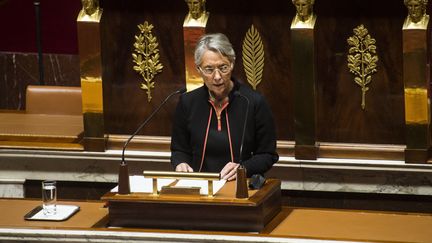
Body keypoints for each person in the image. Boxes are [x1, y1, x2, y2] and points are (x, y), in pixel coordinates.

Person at [170, 33, 278, 181]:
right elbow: (179, 149)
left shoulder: (253, 102)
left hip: (240, 186)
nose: (217, 76)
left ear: (232, 64)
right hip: (199, 186)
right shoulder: (187, 102)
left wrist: (243, 169)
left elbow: (267, 154)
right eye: (209, 69)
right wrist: (180, 163)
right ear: (198, 69)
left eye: (223, 67)